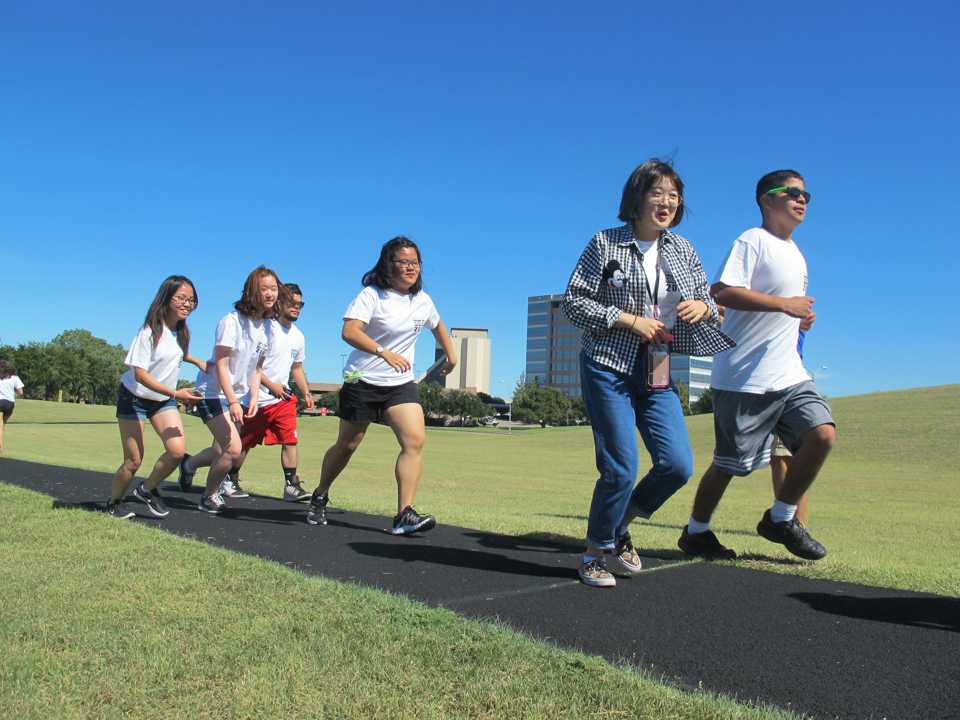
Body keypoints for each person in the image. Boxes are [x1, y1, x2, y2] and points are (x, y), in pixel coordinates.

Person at [562, 159, 734, 588]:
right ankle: (595, 553)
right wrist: (627, 319)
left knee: (677, 464)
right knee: (620, 467)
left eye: (674, 196)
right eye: (657, 193)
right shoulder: (606, 244)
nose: (667, 202)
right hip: (607, 365)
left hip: (657, 368)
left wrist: (704, 307)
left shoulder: (683, 249)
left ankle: (620, 523)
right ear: (636, 198)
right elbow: (574, 302)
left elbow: (708, 303)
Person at [679, 169, 836, 561]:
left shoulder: (797, 254)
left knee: (823, 435)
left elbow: (782, 309)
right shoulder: (752, 240)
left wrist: (797, 319)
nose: (802, 200)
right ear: (768, 199)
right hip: (744, 378)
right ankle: (696, 532)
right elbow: (723, 291)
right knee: (730, 465)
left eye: (806, 195)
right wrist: (785, 305)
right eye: (793, 193)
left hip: (788, 375)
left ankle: (780, 519)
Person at [305, 236, 457, 534]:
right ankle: (320, 493)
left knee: (414, 440)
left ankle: (404, 514)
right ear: (389, 264)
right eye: (404, 262)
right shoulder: (372, 295)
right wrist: (383, 352)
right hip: (361, 378)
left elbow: (437, 325)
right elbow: (349, 331)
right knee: (347, 445)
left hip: (399, 384)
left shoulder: (422, 300)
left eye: (415, 262)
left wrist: (451, 354)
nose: (411, 268)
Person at [178, 266, 280, 514]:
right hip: (213, 394)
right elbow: (222, 365)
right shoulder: (231, 322)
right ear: (251, 291)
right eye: (264, 288)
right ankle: (209, 495)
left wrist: (254, 397)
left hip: (241, 397)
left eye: (274, 289)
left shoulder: (268, 328)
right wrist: (234, 401)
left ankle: (189, 465)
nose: (270, 294)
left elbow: (256, 369)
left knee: (219, 450)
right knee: (233, 449)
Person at [106, 276, 204, 519]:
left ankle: (146, 489)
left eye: (191, 300)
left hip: (161, 400)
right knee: (133, 460)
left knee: (177, 451)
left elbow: (176, 353)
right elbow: (139, 374)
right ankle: (113, 504)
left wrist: (197, 361)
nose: (187, 304)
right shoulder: (150, 330)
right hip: (134, 397)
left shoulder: (181, 332)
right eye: (181, 298)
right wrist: (176, 393)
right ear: (166, 298)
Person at [229, 282, 316, 502]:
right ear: (280, 303)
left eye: (301, 304)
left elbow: (296, 367)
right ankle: (229, 478)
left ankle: (291, 485)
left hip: (283, 399)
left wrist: (306, 392)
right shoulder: (266, 328)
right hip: (257, 398)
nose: (297, 307)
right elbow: (252, 366)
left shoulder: (299, 336)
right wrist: (270, 385)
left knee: (290, 439)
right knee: (244, 443)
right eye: (292, 303)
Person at [0, 360, 25, 453]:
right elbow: (21, 392)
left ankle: (0, 446)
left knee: (0, 424)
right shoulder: (15, 378)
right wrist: (11, 391)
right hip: (10, 404)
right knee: (3, 424)